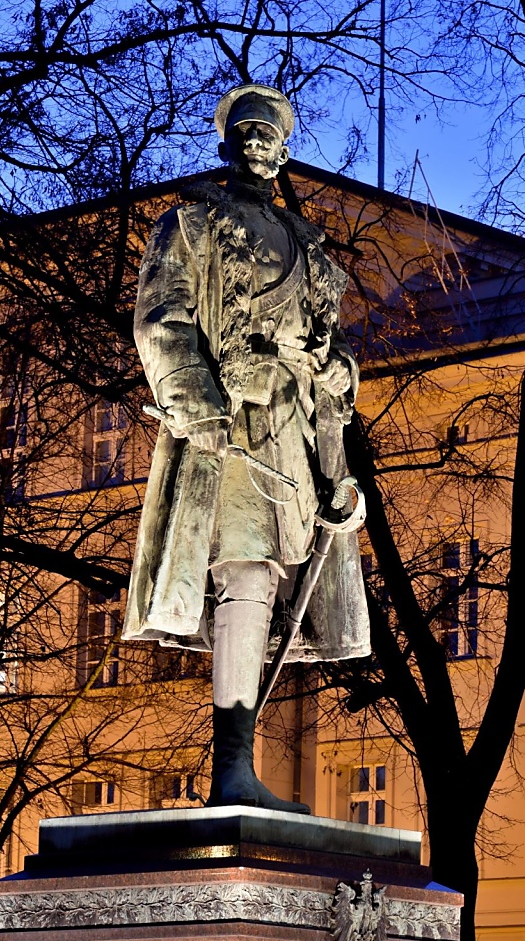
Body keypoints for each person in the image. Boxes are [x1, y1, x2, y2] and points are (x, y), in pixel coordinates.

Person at [122, 84, 370, 814]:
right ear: (228, 144)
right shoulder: (191, 225)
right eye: (247, 131)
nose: (258, 142)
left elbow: (334, 351)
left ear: (284, 151)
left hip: (296, 430)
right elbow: (161, 318)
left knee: (271, 584)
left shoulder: (311, 248)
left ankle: (239, 764)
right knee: (247, 573)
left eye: (269, 134)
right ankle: (232, 763)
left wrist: (339, 373)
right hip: (230, 421)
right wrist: (195, 403)